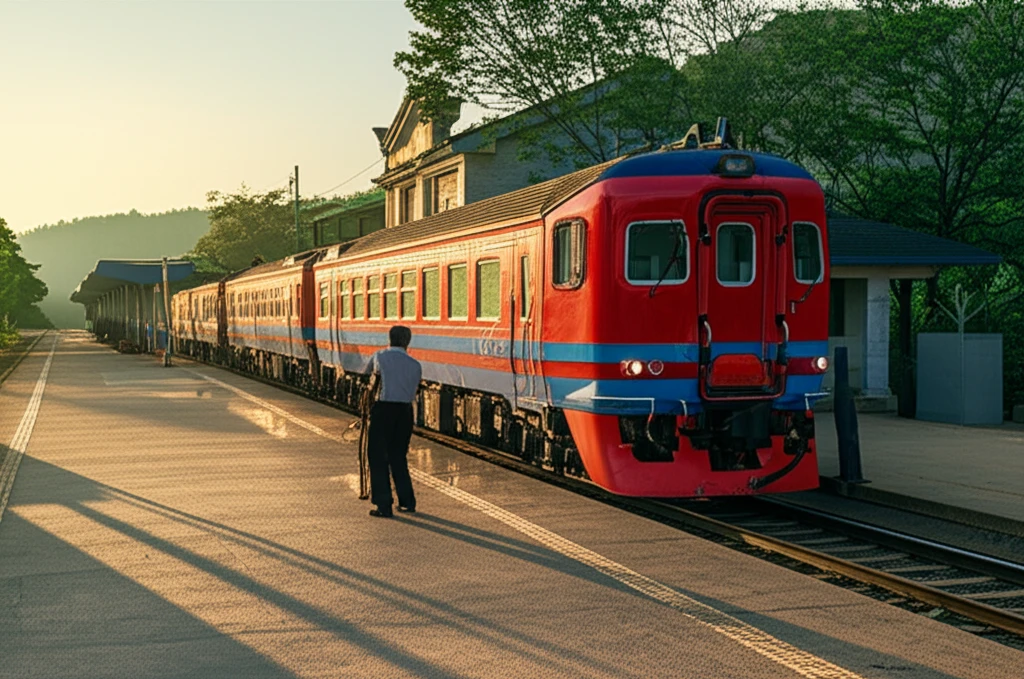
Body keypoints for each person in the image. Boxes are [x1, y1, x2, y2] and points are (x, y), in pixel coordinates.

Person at [365, 325, 422, 518]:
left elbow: (373, 381)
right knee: (398, 457)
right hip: (405, 412)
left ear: (390, 338)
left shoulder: (380, 357)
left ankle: (384, 504)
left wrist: (366, 405)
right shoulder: (415, 365)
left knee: (378, 457)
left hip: (384, 410)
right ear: (408, 341)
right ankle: (407, 501)